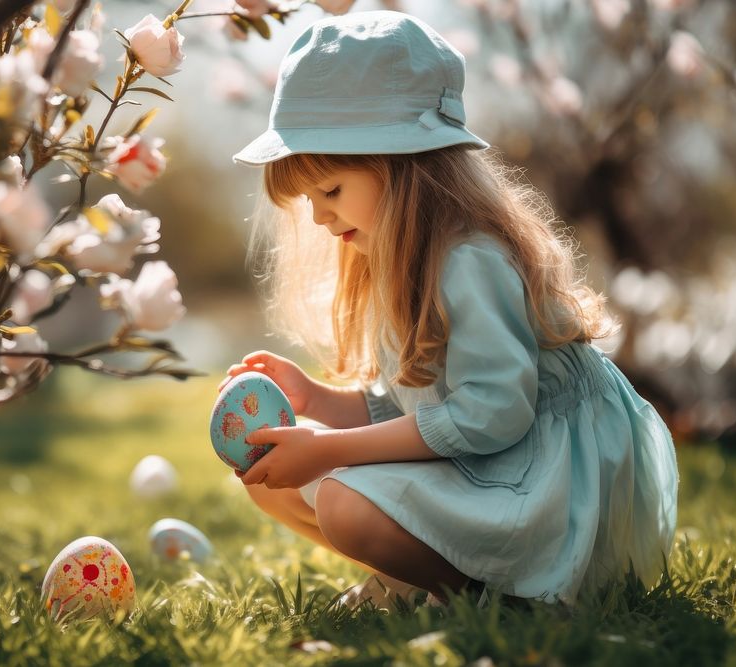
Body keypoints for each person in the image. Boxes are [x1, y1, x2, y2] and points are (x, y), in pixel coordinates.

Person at [219, 10, 678, 607]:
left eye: (330, 191)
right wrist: (315, 401)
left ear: (404, 168)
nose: (319, 216)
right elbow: (411, 405)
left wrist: (330, 450)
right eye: (310, 198)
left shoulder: (470, 261)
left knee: (335, 493)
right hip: (486, 467)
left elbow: (492, 414)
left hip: (545, 490)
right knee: (273, 482)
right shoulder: (397, 257)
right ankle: (426, 576)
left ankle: (485, 593)